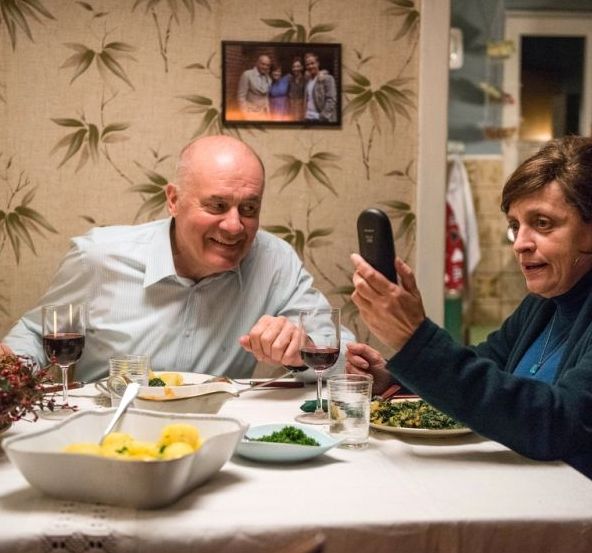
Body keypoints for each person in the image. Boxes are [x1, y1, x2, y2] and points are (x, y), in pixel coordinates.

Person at [1, 135, 353, 383]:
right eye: (217, 205)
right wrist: (9, 375)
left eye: (249, 209)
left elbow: (342, 351)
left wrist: (301, 351)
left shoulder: (274, 261)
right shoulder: (98, 257)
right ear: (173, 200)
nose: (234, 226)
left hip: (218, 442)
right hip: (106, 436)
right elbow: (35, 334)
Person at [347, 136, 592, 479]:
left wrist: (415, 340)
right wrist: (392, 376)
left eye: (542, 223)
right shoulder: (542, 303)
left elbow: (557, 423)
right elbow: (483, 364)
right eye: (515, 226)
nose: (520, 244)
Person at [303, 52, 337, 123]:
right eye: (307, 64)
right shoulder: (308, 81)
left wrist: (322, 116)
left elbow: (331, 100)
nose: (310, 66)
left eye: (312, 63)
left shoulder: (327, 78)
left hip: (321, 119)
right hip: (308, 118)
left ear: (318, 63)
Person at [287, 57, 306, 121]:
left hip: (301, 109)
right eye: (294, 67)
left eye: (298, 66)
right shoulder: (290, 80)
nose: (295, 69)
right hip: (291, 109)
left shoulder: (306, 79)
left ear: (302, 67)